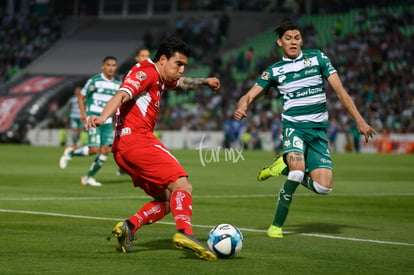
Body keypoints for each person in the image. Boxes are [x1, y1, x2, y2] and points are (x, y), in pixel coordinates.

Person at [233, 19, 377, 238]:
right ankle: (276, 226)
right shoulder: (274, 71)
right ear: (279, 42)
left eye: (297, 38)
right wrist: (242, 106)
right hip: (294, 129)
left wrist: (359, 120)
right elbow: (249, 95)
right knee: (298, 172)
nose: (294, 42)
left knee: (324, 188)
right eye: (288, 38)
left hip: (318, 132)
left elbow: (340, 91)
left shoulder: (317, 58)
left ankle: (282, 166)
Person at [85, 36, 220, 260]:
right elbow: (122, 94)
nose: (181, 70)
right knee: (182, 186)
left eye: (184, 65)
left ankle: (128, 227)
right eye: (178, 64)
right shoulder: (146, 72)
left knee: (168, 200)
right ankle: (185, 233)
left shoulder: (159, 76)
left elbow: (181, 84)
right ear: (163, 59)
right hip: (138, 141)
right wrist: (102, 117)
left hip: (123, 149)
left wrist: (205, 81)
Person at [59, 56, 121, 187]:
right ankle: (70, 152)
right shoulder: (95, 81)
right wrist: (83, 114)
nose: (111, 68)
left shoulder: (117, 85)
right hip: (93, 119)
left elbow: (117, 104)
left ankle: (88, 177)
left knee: (105, 150)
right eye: (108, 65)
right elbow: (81, 97)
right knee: (94, 149)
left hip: (107, 120)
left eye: (113, 65)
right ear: (103, 67)